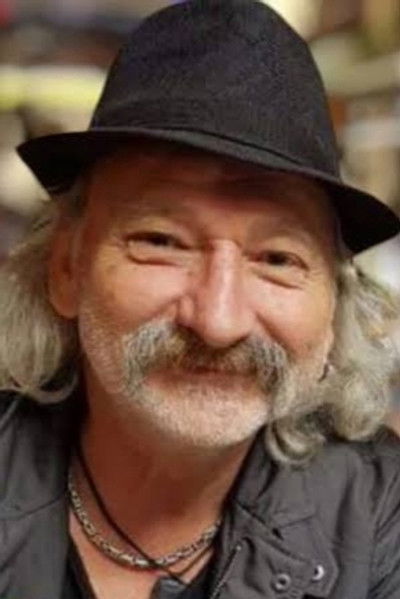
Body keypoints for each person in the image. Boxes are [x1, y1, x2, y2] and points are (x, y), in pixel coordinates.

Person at [1, 1, 400, 598]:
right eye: (162, 242)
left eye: (277, 259)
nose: (217, 321)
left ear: (332, 311)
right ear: (66, 271)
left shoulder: (380, 519)